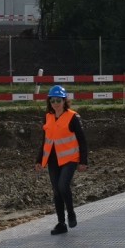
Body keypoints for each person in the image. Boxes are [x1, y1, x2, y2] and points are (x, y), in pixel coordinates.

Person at [39, 85, 88, 235]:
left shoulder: (73, 117)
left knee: (62, 186)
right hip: (53, 159)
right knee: (56, 191)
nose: (55, 103)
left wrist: (83, 161)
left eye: (58, 100)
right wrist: (38, 159)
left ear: (64, 100)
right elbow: (45, 140)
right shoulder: (48, 116)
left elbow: (82, 140)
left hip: (70, 158)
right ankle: (61, 223)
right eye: (52, 100)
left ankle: (71, 213)